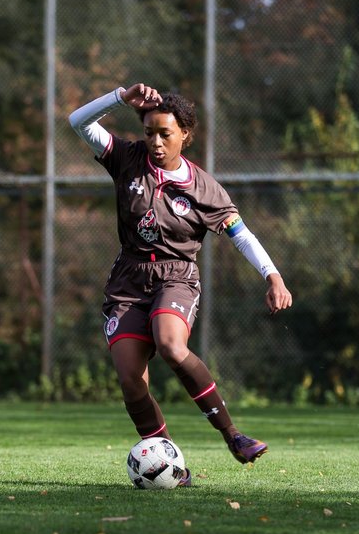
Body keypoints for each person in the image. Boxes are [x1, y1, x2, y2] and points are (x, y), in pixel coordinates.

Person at [69, 82, 293, 484]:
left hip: (176, 275)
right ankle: (172, 467)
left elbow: (241, 234)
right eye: (149, 132)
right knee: (130, 382)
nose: (155, 141)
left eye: (165, 134)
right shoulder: (126, 158)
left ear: (185, 136)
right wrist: (120, 97)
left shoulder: (205, 189)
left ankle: (233, 435)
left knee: (172, 345)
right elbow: (77, 121)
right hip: (128, 280)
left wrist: (272, 275)